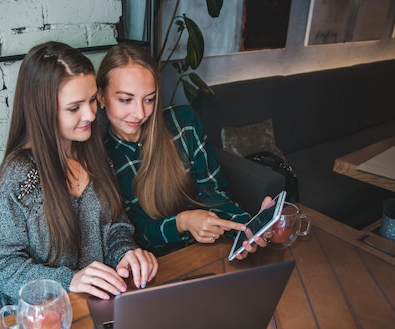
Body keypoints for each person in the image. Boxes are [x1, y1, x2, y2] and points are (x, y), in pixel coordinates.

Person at [0, 42, 158, 322]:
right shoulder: (19, 175)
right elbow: (1, 264)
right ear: (43, 111)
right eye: (74, 107)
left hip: (94, 312)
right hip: (34, 326)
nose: (90, 114)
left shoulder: (93, 152)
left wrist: (125, 253)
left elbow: (115, 225)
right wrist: (69, 280)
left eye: (91, 100)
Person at [96, 43, 272, 257]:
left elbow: (212, 192)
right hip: (161, 265)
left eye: (149, 99)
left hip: (211, 247)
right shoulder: (101, 159)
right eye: (125, 100)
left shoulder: (184, 124)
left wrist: (244, 228)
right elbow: (134, 235)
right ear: (101, 97)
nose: (140, 113)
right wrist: (183, 222)